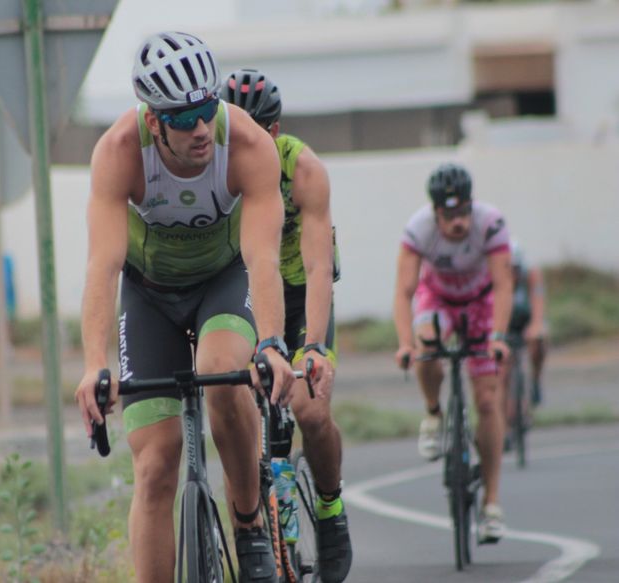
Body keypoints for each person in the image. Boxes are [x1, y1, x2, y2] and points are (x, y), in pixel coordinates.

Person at [73, 32, 299, 583]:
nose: (200, 127)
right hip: (148, 295)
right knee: (154, 467)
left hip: (222, 283)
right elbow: (102, 267)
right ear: (153, 121)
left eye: (206, 109)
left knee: (221, 379)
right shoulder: (118, 153)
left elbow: (262, 258)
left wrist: (271, 342)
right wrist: (92, 365)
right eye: (183, 117)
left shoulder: (244, 144)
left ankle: (248, 526)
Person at [222, 68, 352, 583]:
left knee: (309, 410)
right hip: (248, 291)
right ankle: (259, 526)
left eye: (254, 133)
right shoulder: (215, 168)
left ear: (274, 133)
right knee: (237, 406)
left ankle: (330, 507)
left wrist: (314, 348)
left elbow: (320, 268)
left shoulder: (306, 171)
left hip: (300, 295)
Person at [392, 163, 512, 544]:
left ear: (471, 206)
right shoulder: (419, 228)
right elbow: (404, 291)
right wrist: (405, 343)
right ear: (435, 212)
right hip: (438, 297)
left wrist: (498, 336)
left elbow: (504, 284)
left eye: (463, 213)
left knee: (489, 400)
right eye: (449, 215)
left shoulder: (490, 223)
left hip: (480, 302)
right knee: (427, 344)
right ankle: (433, 413)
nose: (458, 223)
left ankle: (492, 504)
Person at [506, 240, 548, 406]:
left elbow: (538, 304)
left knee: (539, 339)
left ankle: (535, 380)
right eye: (508, 269)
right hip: (505, 324)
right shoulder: (494, 276)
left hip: (526, 320)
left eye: (515, 269)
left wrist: (536, 326)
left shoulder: (531, 274)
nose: (512, 274)